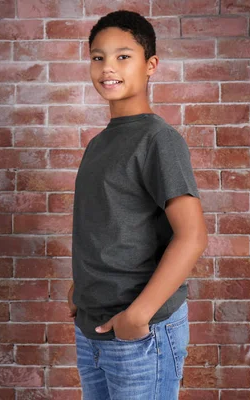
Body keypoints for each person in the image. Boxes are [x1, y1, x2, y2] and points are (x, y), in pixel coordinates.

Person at [68, 10, 209, 400]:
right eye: (98, 57)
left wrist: (138, 314)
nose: (107, 67)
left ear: (151, 66)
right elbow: (113, 225)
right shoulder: (99, 144)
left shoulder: (158, 140)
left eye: (123, 56)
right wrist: (82, 287)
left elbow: (192, 235)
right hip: (93, 326)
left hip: (140, 334)